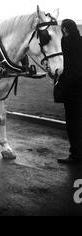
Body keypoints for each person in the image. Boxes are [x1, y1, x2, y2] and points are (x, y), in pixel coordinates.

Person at [57, 19, 82, 164]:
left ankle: (75, 154)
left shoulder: (66, 42)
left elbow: (65, 66)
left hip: (72, 89)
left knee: (73, 124)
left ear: (65, 29)